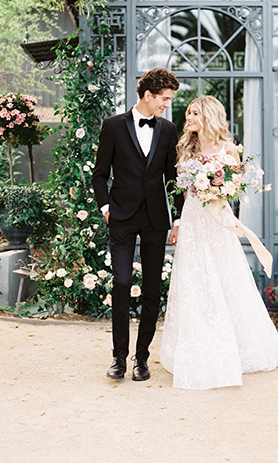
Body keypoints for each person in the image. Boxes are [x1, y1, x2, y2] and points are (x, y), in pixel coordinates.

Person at [160, 95, 278, 390]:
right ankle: (196, 344)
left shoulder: (228, 149)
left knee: (225, 277)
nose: (188, 118)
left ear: (208, 115)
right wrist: (179, 223)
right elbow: (181, 192)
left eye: (194, 113)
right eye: (189, 113)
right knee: (194, 278)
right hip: (194, 218)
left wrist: (219, 187)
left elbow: (234, 188)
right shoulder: (185, 148)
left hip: (218, 219)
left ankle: (238, 346)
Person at [92, 67, 183, 382]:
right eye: (165, 99)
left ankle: (141, 359)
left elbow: (173, 178)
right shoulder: (113, 126)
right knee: (120, 283)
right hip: (121, 216)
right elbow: (100, 174)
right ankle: (119, 358)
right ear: (148, 95)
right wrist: (106, 207)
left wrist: (179, 218)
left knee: (152, 288)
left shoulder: (168, 130)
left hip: (156, 219)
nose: (167, 105)